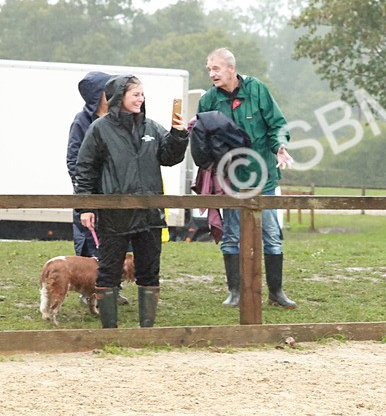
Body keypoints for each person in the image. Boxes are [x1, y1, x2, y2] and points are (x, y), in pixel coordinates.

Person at [74, 75, 190, 328]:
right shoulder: (100, 129)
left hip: (149, 214)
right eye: (135, 94)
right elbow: (85, 169)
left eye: (142, 94)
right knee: (108, 272)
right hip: (114, 214)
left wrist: (179, 135)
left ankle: (146, 331)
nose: (141, 99)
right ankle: (110, 332)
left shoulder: (152, 128)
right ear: (119, 97)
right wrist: (85, 206)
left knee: (149, 272)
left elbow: (169, 157)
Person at [198, 48, 297, 308]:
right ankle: (235, 292)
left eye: (216, 69)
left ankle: (276, 293)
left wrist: (280, 146)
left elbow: (278, 124)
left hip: (263, 177)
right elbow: (201, 137)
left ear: (231, 68)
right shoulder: (208, 100)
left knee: (271, 235)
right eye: (209, 70)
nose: (212, 74)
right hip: (230, 180)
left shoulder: (257, 90)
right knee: (231, 236)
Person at [66, 70, 112, 259]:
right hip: (89, 198)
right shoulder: (81, 121)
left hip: (113, 199)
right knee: (89, 255)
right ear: (98, 94)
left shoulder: (117, 119)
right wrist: (86, 202)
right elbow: (73, 161)